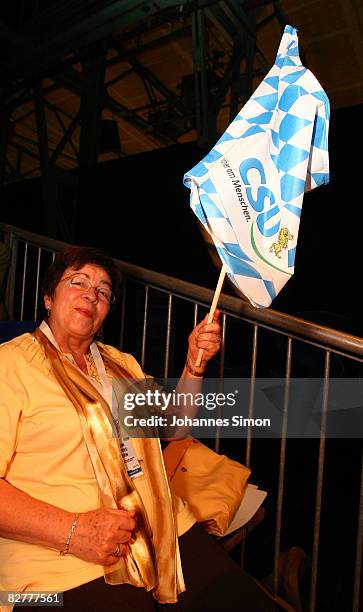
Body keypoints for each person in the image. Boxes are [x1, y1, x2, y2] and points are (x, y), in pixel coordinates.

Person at [0, 246, 277, 611]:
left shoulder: (120, 364)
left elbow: (172, 430)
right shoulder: (11, 364)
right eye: (78, 282)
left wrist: (194, 367)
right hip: (57, 561)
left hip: (164, 530)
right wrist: (74, 532)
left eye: (102, 292)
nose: (90, 294)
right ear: (49, 297)